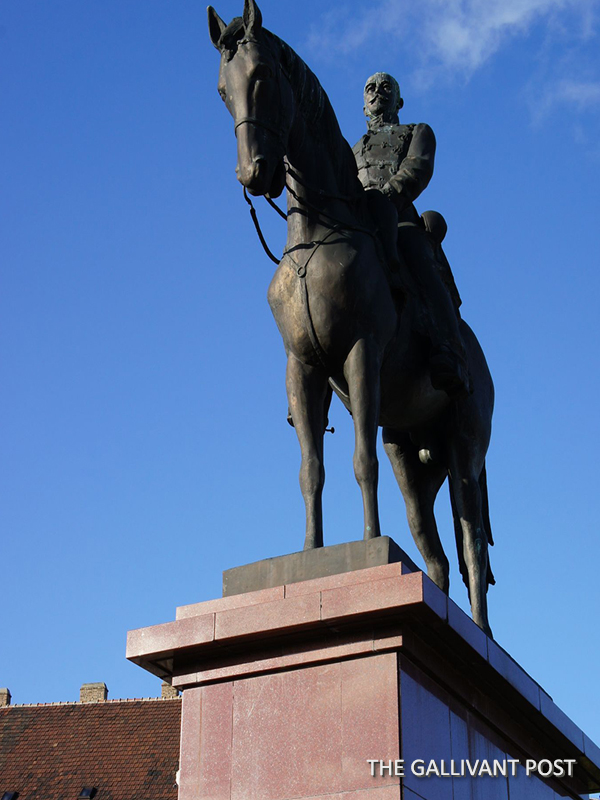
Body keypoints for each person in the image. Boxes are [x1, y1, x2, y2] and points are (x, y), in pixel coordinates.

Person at [352, 72, 468, 395]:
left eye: (386, 87)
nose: (378, 92)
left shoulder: (417, 131)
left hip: (398, 216)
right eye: (370, 88)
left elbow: (418, 167)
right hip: (359, 221)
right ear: (364, 106)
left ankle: (450, 348)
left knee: (419, 257)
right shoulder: (351, 150)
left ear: (399, 101)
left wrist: (386, 198)